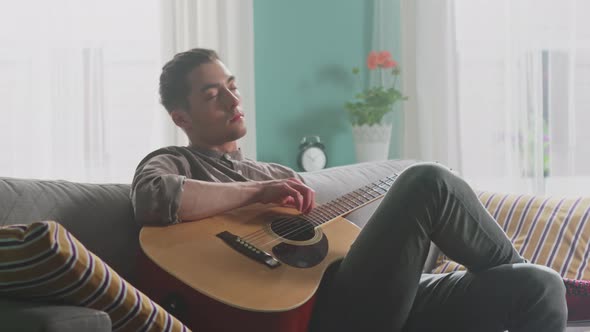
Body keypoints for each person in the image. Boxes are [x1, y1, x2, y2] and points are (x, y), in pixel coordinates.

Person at [131, 48, 567, 332]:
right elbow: (157, 198)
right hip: (326, 315)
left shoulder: (275, 171)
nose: (232, 100)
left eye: (232, 86)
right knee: (428, 179)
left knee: (539, 285)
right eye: (212, 95)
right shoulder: (177, 161)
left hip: (371, 296)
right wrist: (256, 192)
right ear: (182, 117)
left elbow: (330, 249)